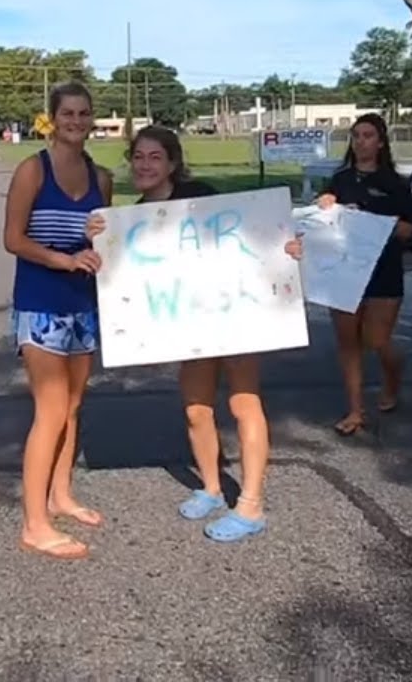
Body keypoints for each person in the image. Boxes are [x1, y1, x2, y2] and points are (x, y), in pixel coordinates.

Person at [86, 125, 289, 543]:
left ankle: (251, 505)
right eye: (138, 156)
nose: (144, 165)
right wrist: (98, 246)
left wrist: (286, 246)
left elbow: (255, 233)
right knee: (196, 408)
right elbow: (123, 280)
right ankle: (212, 488)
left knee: (244, 403)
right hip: (189, 324)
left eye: (154, 157)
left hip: (235, 313)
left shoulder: (201, 194)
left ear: (173, 163)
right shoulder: (132, 219)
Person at [3, 81, 114, 560]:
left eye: (84, 113)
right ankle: (35, 525)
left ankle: (60, 495)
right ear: (53, 118)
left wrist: (100, 237)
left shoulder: (100, 177)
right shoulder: (33, 170)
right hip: (40, 303)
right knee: (49, 411)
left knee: (72, 407)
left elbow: (107, 244)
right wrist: (63, 260)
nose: (76, 121)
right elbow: (13, 239)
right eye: (67, 113)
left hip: (83, 305)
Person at [284, 112, 412, 436]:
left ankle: (393, 375)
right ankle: (356, 410)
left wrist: (372, 222)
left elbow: (408, 230)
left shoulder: (396, 184)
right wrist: (326, 202)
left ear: (381, 142)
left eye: (368, 136)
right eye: (356, 136)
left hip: (383, 273)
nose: (360, 142)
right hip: (343, 272)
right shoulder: (341, 180)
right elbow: (322, 216)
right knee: (348, 343)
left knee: (376, 340)